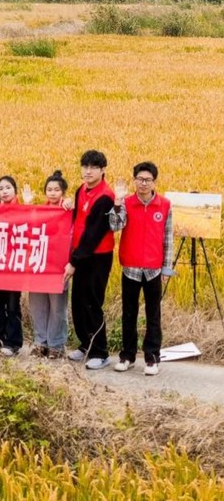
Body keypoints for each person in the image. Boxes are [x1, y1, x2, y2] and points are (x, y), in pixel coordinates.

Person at [109, 162, 173, 376]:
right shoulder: (127, 203)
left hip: (154, 269)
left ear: (154, 182)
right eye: (140, 179)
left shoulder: (164, 205)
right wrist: (117, 202)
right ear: (134, 180)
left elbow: (168, 238)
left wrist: (166, 268)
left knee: (153, 315)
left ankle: (152, 358)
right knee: (129, 313)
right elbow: (115, 226)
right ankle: (127, 356)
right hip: (131, 267)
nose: (143, 183)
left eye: (148, 180)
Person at [64, 150, 116, 370]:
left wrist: (73, 262)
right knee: (78, 302)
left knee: (92, 303)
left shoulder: (105, 197)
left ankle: (100, 352)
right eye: (85, 166)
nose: (88, 171)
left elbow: (93, 235)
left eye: (93, 167)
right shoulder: (81, 190)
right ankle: (86, 344)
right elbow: (77, 221)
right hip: (80, 253)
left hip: (97, 257)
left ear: (102, 170)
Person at [23, 171, 71, 359]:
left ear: (63, 192)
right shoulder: (39, 211)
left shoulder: (68, 211)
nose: (52, 193)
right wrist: (27, 207)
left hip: (58, 267)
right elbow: (25, 229)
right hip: (39, 265)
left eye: (56, 190)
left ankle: (56, 344)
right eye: (49, 189)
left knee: (57, 307)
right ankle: (40, 342)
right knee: (38, 306)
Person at [0, 176, 24, 356]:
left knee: (13, 305)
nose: (4, 191)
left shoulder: (23, 209)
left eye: (8, 187)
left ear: (15, 190)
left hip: (14, 265)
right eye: (1, 188)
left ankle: (13, 342)